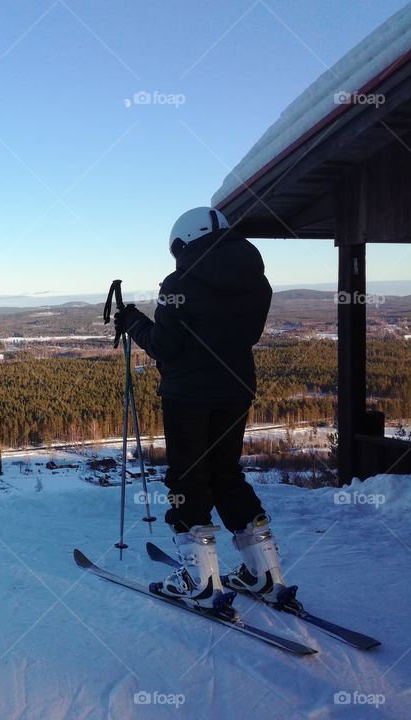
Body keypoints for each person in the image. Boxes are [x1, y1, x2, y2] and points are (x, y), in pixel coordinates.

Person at [114, 207, 289, 609]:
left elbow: (164, 346)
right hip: (236, 389)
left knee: (189, 480)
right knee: (227, 473)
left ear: (183, 243)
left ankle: (202, 581)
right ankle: (265, 573)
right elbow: (245, 334)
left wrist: (134, 321)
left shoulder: (180, 282)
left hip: (188, 396)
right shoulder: (257, 282)